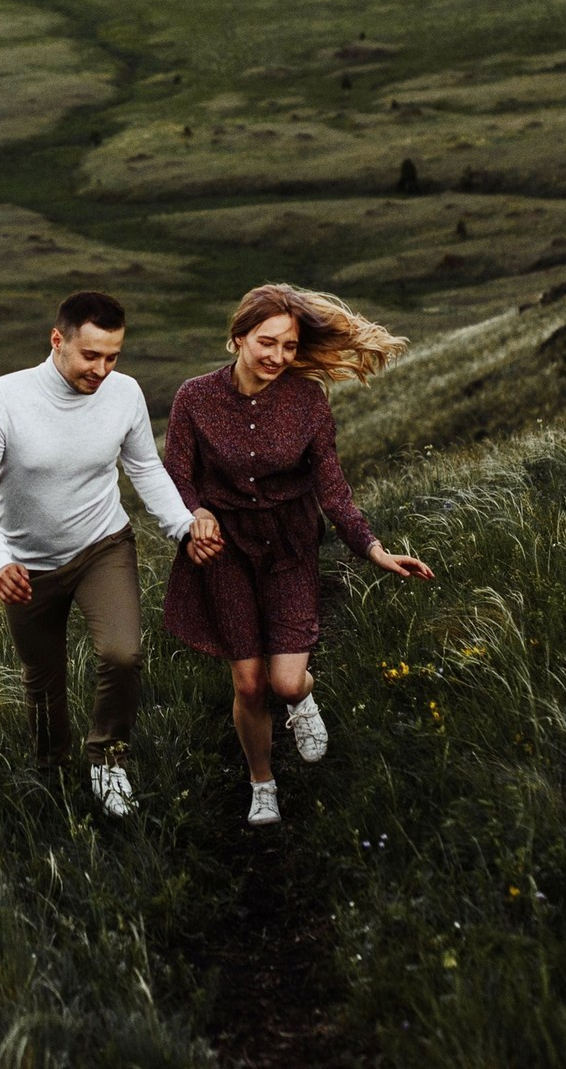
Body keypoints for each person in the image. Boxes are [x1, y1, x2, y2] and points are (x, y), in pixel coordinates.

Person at [163, 283, 433, 826]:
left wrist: (372, 548)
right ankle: (262, 780)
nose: (278, 357)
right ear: (237, 338)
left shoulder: (308, 399)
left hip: (289, 546)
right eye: (267, 343)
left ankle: (303, 702)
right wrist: (195, 516)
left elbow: (332, 489)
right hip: (225, 552)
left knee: (285, 682)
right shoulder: (194, 398)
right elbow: (176, 478)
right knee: (249, 682)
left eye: (289, 347)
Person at [0, 289, 223, 818]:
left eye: (113, 356)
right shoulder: (1, 400)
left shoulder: (123, 395)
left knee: (123, 654)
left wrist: (184, 528)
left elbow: (145, 469)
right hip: (27, 564)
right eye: (90, 355)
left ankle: (108, 760)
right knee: (42, 679)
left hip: (103, 546)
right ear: (58, 341)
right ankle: (52, 774)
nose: (101, 369)